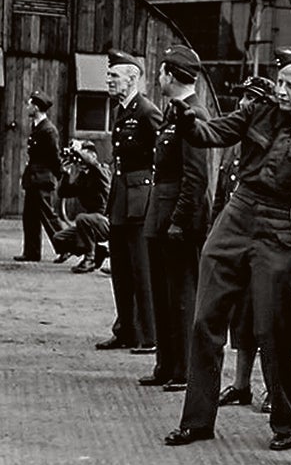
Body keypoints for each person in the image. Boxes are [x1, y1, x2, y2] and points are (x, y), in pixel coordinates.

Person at [164, 47, 291, 451]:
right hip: (237, 216)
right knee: (206, 320)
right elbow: (212, 134)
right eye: (279, 83)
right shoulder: (257, 112)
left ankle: (285, 424)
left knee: (273, 327)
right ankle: (197, 422)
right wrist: (188, 119)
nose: (281, 90)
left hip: (280, 226)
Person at [138, 46, 211, 393]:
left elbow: (196, 178)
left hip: (177, 220)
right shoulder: (173, 112)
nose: (158, 78)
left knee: (181, 295)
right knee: (163, 294)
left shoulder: (194, 115)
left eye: (162, 72)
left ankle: (183, 369)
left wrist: (180, 220)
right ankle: (166, 365)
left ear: (170, 74)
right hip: (161, 214)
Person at [215, 76, 277, 413]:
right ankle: (241, 385)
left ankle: (272, 388)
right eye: (241, 100)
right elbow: (221, 196)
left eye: (251, 100)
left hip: (264, 241)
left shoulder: (269, 141)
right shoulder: (235, 143)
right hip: (235, 237)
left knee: (266, 319)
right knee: (240, 318)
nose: (243, 106)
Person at [95, 50, 161, 354]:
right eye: (109, 75)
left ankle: (149, 335)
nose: (109, 80)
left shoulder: (146, 110)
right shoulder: (122, 110)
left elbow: (163, 157)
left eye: (114, 76)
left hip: (139, 200)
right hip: (121, 199)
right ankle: (126, 330)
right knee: (120, 268)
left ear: (132, 78)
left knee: (142, 269)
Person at [15, 90, 63, 262]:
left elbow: (54, 156)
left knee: (48, 216)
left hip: (42, 179)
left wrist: (60, 175)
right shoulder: (37, 127)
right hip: (34, 179)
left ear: (36, 107)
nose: (27, 107)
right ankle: (32, 252)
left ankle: (66, 247)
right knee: (30, 217)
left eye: (29, 104)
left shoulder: (48, 130)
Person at [51, 140, 111, 273]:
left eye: (85, 156)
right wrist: (65, 174)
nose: (81, 161)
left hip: (106, 220)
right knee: (59, 239)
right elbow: (64, 193)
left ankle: (89, 259)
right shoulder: (83, 177)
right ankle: (99, 252)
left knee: (82, 218)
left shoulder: (102, 170)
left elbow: (92, 164)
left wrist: (78, 149)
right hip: (90, 222)